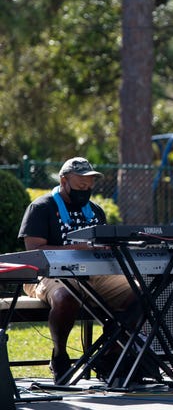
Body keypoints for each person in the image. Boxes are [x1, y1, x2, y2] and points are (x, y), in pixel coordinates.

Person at [18, 157, 137, 383]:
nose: (86, 189)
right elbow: (33, 252)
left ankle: (110, 352)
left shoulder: (95, 211)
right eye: (81, 184)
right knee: (65, 298)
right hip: (48, 274)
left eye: (90, 184)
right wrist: (76, 247)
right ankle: (60, 356)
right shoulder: (41, 208)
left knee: (140, 293)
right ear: (64, 181)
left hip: (94, 273)